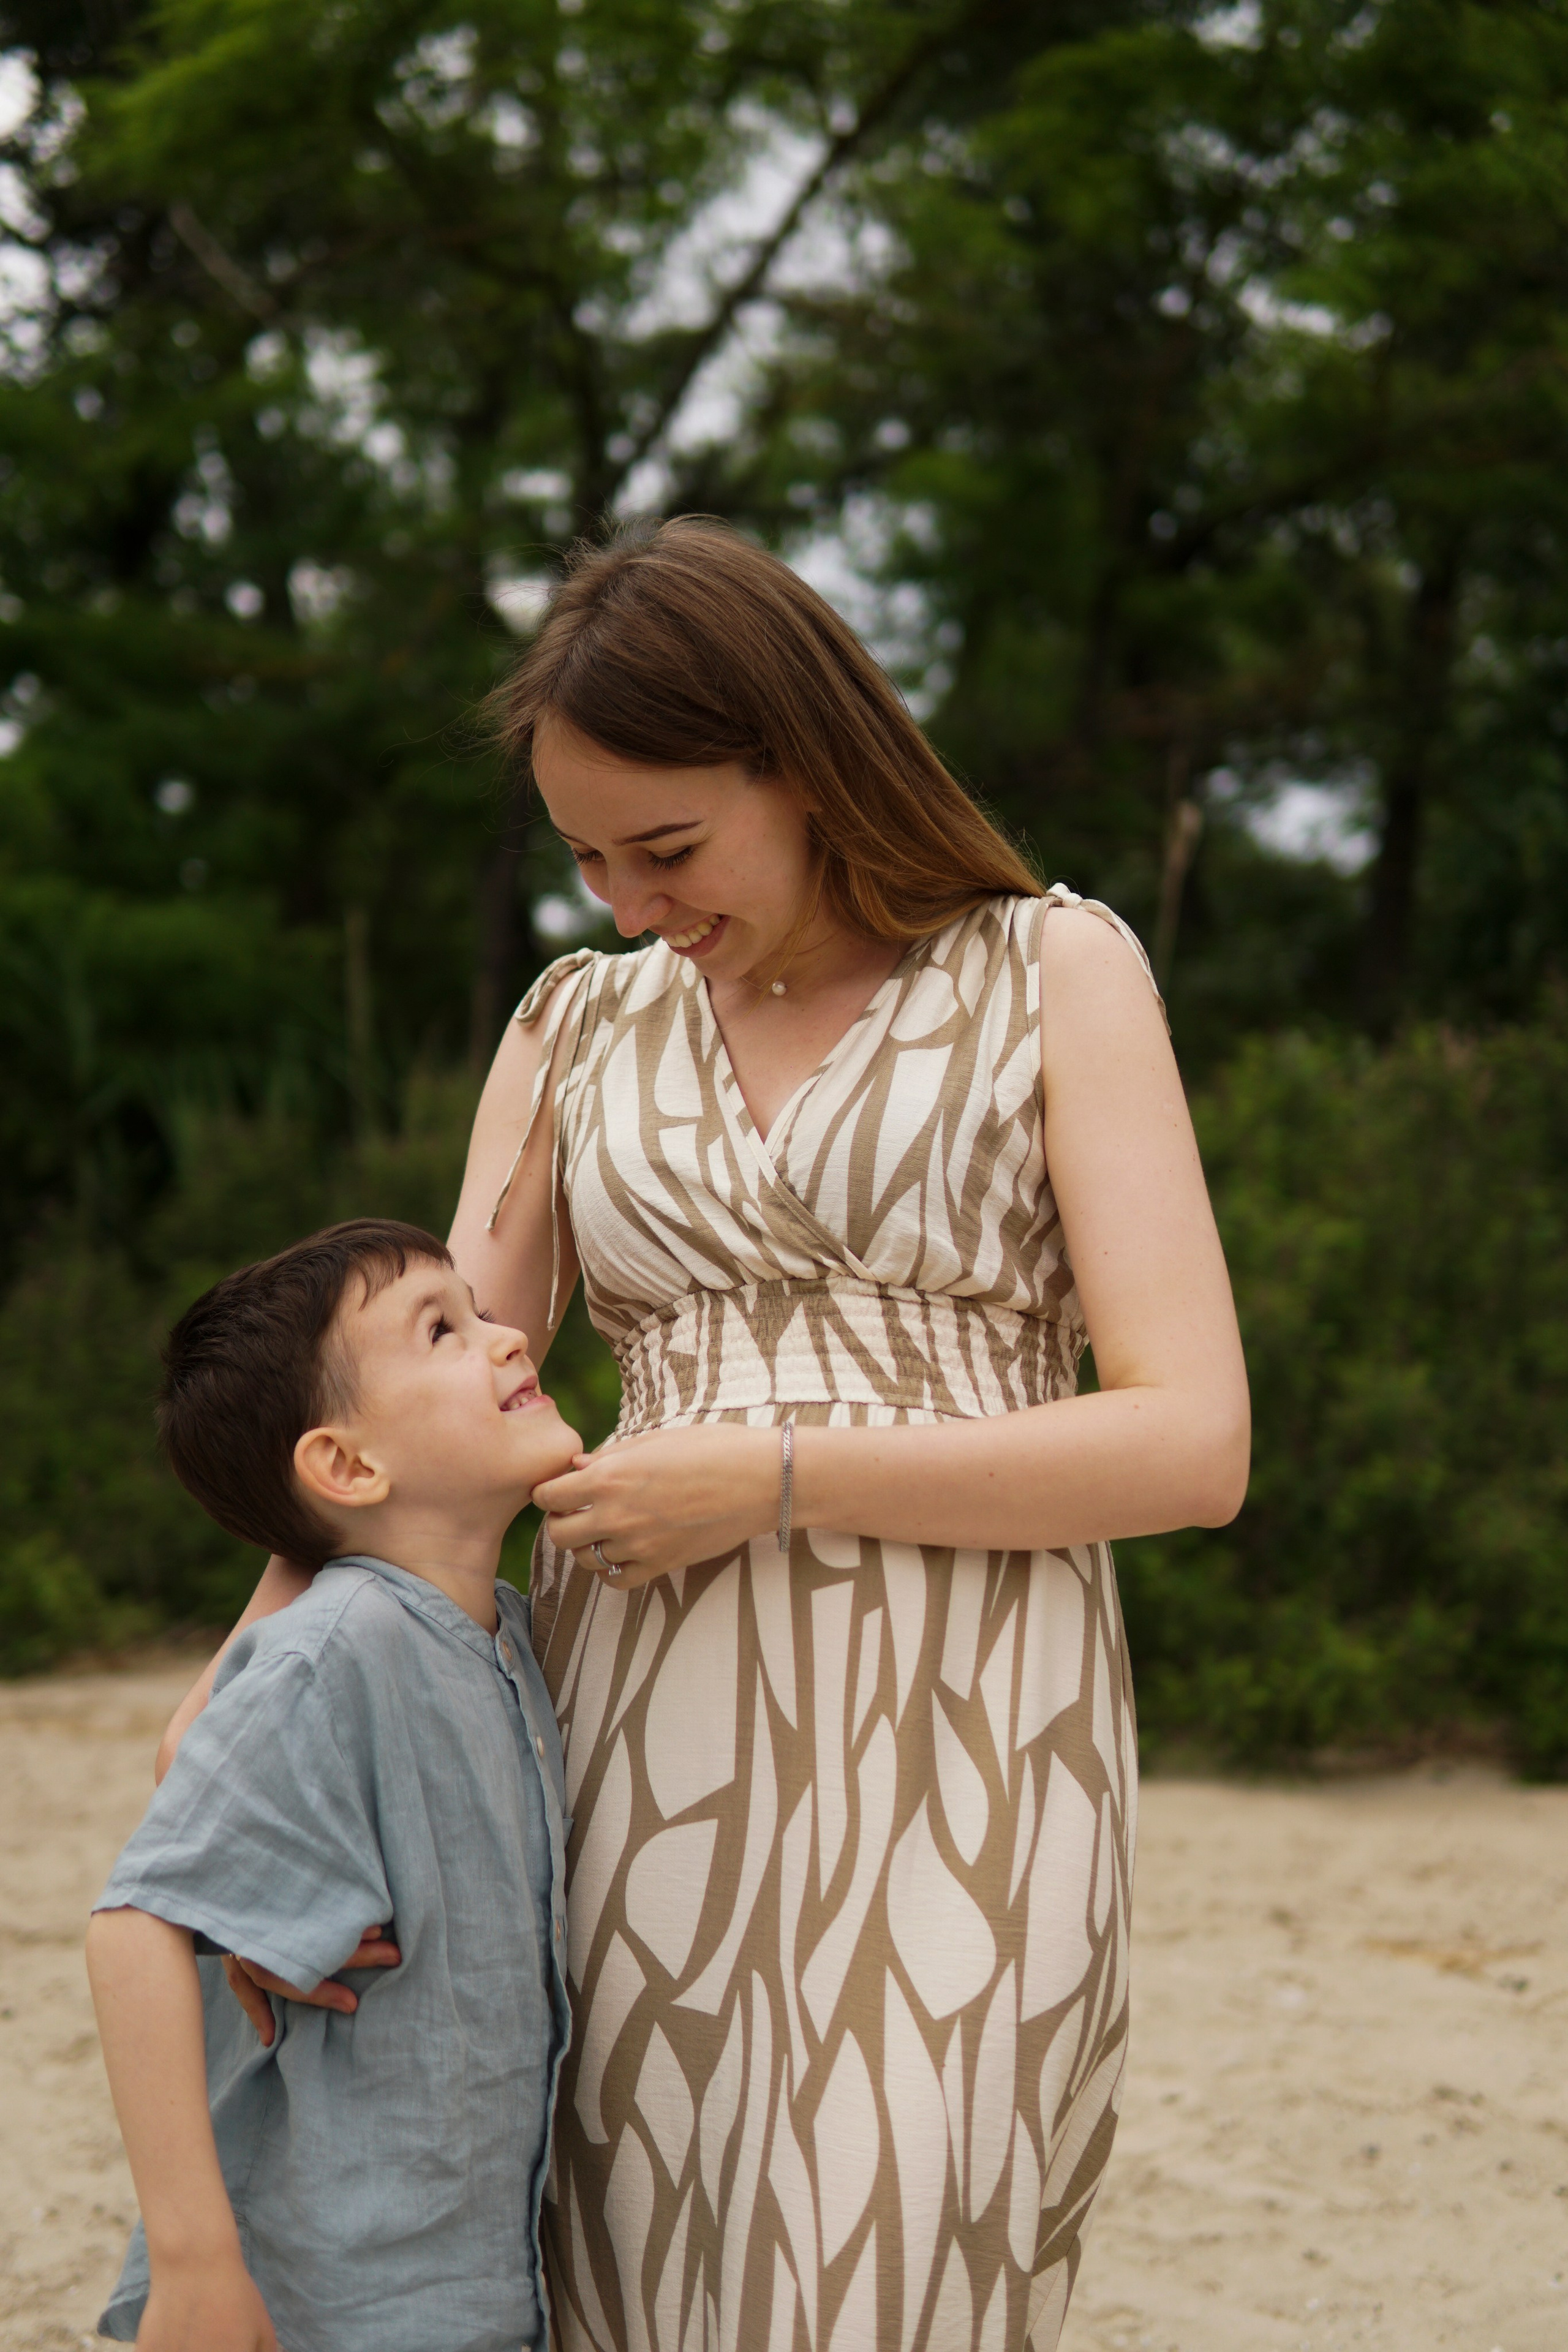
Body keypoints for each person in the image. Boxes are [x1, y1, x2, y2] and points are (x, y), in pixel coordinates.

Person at [154, 518, 1250, 2352]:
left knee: (900, 2247)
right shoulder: (577, 1023)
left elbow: (1193, 1444)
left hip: (974, 1724)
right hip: (638, 1736)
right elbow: (425, 1395)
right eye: (585, 857)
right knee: (641, 2265)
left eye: (666, 847)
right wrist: (246, 1671)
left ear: (807, 764)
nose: (626, 904)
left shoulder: (1054, 973)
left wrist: (781, 1474)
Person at [87, 1218, 578, 2352]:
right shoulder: (336, 1649)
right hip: (332, 2295)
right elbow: (133, 1929)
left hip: (467, 2280)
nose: (508, 1339)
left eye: (483, 1312)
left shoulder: (504, 1628)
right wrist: (197, 2264)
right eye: (446, 1330)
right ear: (350, 1467)